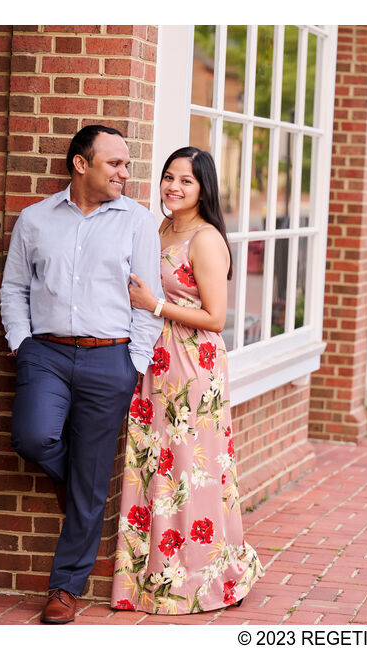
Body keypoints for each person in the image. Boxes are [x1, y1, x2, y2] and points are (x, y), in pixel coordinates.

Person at [0, 125, 164, 624]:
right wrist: (22, 343)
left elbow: (146, 300)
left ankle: (65, 588)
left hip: (109, 359)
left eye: (126, 164)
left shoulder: (137, 222)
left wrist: (131, 363)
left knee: (93, 472)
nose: (124, 172)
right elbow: (13, 289)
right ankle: (88, 488)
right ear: (81, 164)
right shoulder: (34, 220)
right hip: (44, 354)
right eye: (114, 163)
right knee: (32, 437)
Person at [111, 146, 264, 614]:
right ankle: (154, 580)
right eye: (168, 177)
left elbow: (216, 317)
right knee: (156, 466)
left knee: (190, 469)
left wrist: (153, 306)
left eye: (186, 181)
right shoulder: (160, 228)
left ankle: (201, 580)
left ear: (204, 189)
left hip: (193, 366)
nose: (173, 187)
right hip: (155, 363)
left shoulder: (205, 239)